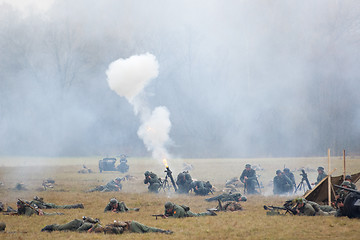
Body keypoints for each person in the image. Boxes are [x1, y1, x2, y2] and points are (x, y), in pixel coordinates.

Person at [42, 217, 173, 234]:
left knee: (148, 229)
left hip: (131, 225)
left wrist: (92, 228)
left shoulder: (91, 226)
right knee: (62, 228)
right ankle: (49, 227)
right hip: (78, 223)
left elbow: (98, 224)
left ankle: (164, 231)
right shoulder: (79, 225)